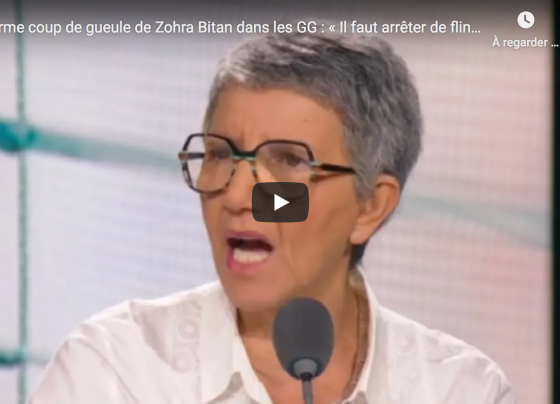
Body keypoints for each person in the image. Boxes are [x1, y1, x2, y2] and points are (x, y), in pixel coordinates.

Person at [28, 29, 516, 404]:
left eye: (288, 161)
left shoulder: (460, 390)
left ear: (370, 206)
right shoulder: (115, 372)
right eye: (220, 154)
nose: (238, 194)